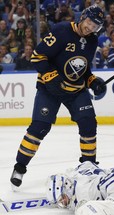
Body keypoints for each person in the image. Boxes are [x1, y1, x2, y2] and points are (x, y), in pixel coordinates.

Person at [10, 5, 107, 188]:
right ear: (83, 17)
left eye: (96, 26)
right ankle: (19, 167)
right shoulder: (62, 30)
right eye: (89, 22)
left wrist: (92, 81)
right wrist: (51, 78)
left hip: (76, 91)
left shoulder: (92, 41)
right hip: (50, 90)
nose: (91, 28)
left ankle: (89, 169)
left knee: (88, 124)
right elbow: (38, 57)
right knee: (39, 127)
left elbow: (82, 68)